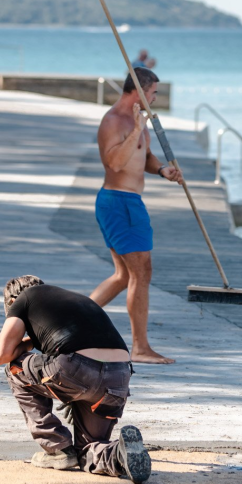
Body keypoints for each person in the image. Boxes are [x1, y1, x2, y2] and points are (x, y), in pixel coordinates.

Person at [0, 275, 152, 484]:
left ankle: (57, 448)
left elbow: (1, 354)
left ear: (12, 303)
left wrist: (26, 343)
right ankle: (120, 454)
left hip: (77, 370)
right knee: (88, 451)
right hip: (118, 377)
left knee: (14, 368)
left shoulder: (24, 298)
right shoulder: (74, 300)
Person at [89, 67, 183, 364]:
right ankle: (140, 348)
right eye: (153, 92)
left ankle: (69, 320)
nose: (156, 98)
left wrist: (162, 170)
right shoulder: (114, 121)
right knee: (141, 273)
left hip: (131, 202)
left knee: (123, 276)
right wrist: (137, 127)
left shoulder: (136, 120)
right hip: (118, 203)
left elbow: (143, 156)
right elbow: (115, 163)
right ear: (139, 92)